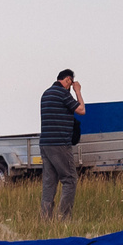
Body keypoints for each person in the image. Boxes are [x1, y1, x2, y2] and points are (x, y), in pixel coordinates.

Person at [39, 68, 84, 219]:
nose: (71, 86)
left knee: (49, 183)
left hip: (45, 143)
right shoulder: (63, 93)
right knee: (69, 180)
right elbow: (81, 110)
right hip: (60, 143)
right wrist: (78, 91)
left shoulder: (46, 94)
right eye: (71, 83)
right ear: (67, 80)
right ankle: (64, 217)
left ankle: (46, 219)